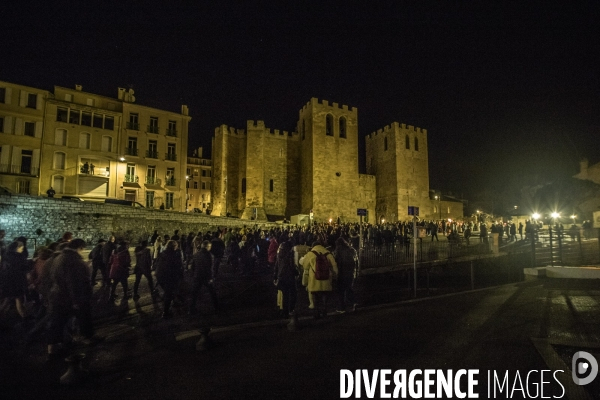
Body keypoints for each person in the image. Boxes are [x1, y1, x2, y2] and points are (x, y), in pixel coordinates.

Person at [46, 239, 95, 359]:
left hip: (57, 295)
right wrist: (76, 301)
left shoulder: (59, 257)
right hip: (68, 298)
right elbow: (73, 283)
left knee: (57, 322)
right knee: (82, 317)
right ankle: (86, 338)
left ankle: (52, 349)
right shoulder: (73, 260)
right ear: (80, 248)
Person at [301, 241, 338, 319]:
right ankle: (324, 311)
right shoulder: (328, 254)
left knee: (315, 297)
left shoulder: (310, 254)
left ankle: (316, 312)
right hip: (326, 279)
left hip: (314, 280)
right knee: (325, 295)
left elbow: (305, 266)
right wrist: (334, 277)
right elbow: (334, 267)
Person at [155, 240, 184, 318]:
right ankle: (165, 312)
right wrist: (180, 275)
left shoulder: (162, 254)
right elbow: (178, 266)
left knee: (170, 291)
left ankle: (173, 300)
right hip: (169, 276)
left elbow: (157, 264)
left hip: (160, 276)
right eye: (176, 246)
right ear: (174, 247)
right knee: (169, 293)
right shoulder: (174, 255)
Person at [1, 241, 29, 318]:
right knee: (18, 298)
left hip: (8, 280)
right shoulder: (18, 257)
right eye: (21, 247)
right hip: (16, 281)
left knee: (9, 299)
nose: (22, 248)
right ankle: (24, 316)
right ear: (16, 248)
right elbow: (23, 268)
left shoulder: (6, 256)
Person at [189, 240, 218, 315]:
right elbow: (210, 268)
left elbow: (192, 266)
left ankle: (191, 309)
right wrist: (211, 278)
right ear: (207, 247)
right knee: (212, 292)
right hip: (206, 277)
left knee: (194, 293)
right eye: (210, 247)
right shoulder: (209, 255)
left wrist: (193, 274)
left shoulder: (196, 254)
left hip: (197, 276)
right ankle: (217, 307)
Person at [273, 240, 298, 317]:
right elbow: (291, 266)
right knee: (292, 294)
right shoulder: (289, 254)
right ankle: (290, 309)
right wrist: (296, 273)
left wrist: (275, 276)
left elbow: (276, 266)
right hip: (289, 277)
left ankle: (284, 310)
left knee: (285, 294)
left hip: (281, 276)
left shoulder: (279, 254)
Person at [333, 237, 358, 313]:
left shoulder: (338, 250)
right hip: (351, 272)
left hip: (342, 273)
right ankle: (352, 305)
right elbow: (356, 262)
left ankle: (342, 307)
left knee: (341, 290)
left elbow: (337, 261)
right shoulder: (352, 250)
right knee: (349, 288)